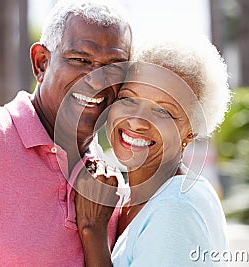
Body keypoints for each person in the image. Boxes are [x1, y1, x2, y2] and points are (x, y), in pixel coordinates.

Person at [0, 0, 131, 265]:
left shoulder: (112, 187)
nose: (97, 81)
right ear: (41, 63)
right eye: (80, 59)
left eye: (114, 67)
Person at [75, 37, 232, 266]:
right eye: (128, 99)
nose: (137, 121)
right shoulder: (135, 196)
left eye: (163, 112)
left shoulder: (176, 210)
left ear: (191, 132)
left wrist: (93, 232)